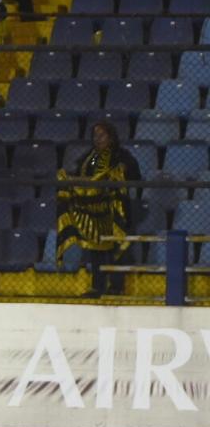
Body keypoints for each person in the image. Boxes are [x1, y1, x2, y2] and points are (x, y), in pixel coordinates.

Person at [56, 121, 142, 297]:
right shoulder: (90, 156)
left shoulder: (120, 155)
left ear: (110, 137)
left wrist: (120, 172)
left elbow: (134, 174)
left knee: (115, 248)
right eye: (95, 135)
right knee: (96, 249)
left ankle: (116, 287)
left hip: (114, 211)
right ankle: (97, 287)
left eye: (102, 135)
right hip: (93, 211)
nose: (98, 138)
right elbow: (81, 174)